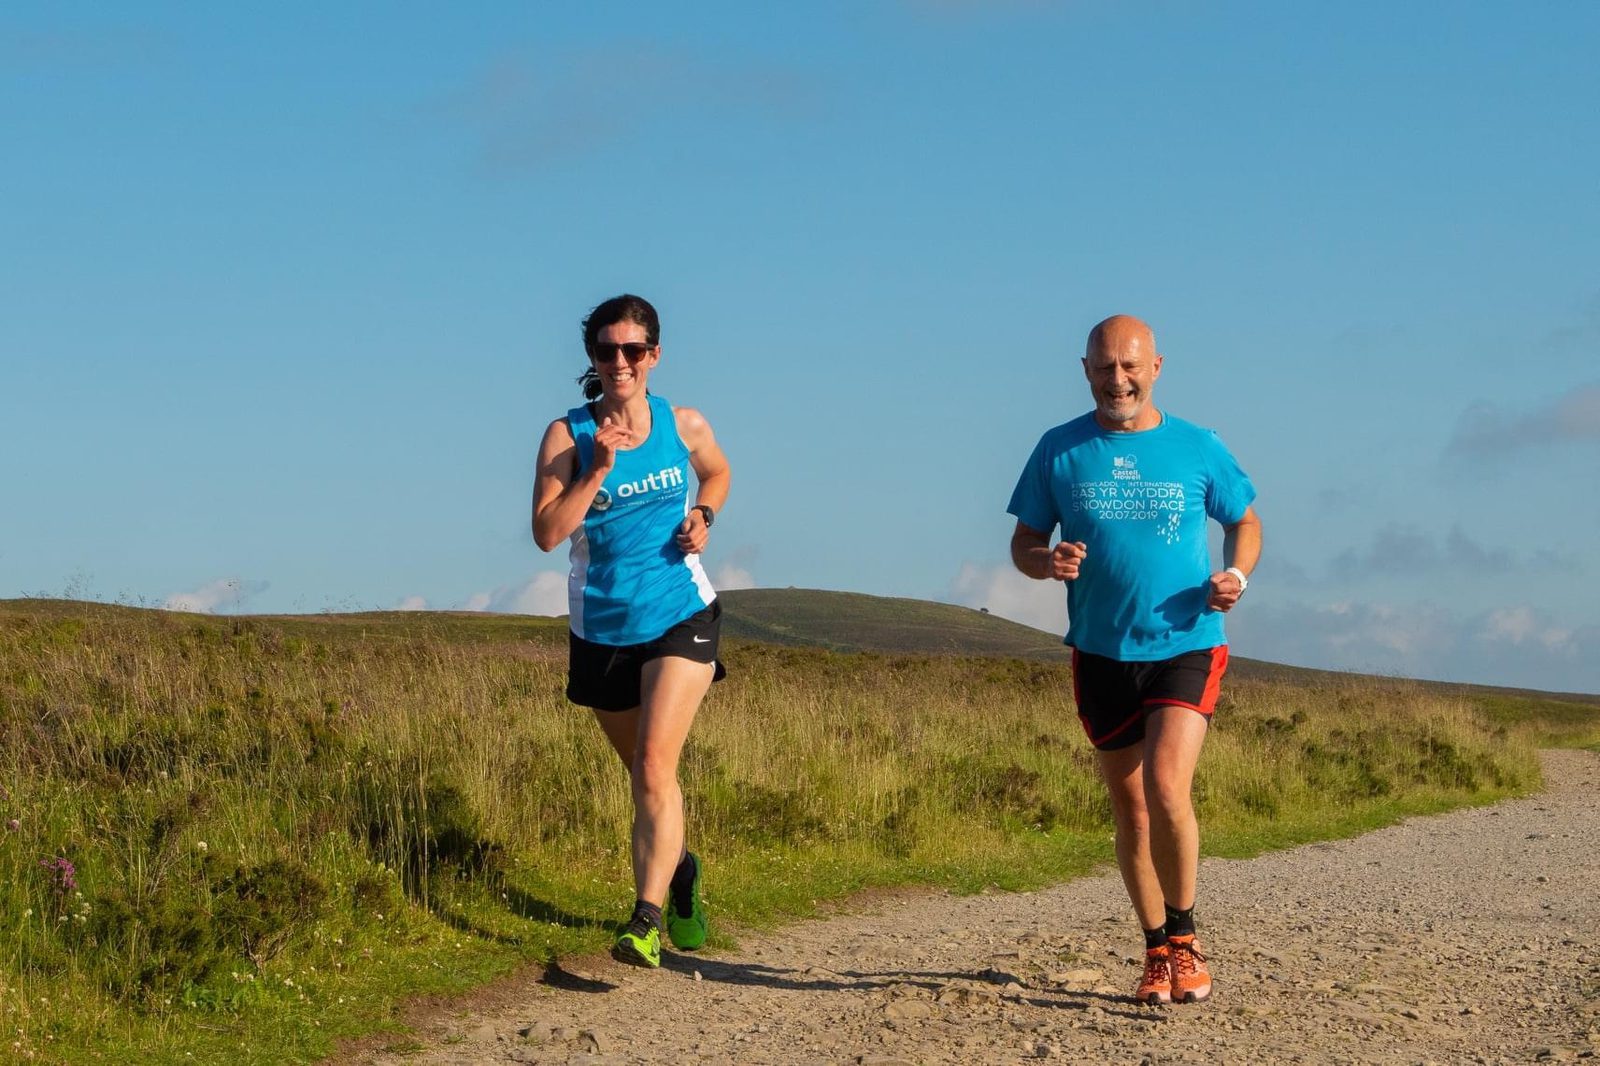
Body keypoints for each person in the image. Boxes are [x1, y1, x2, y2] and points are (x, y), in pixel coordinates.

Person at [1007, 314, 1261, 1005]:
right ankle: (1155, 951)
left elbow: (1244, 519)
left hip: (1186, 641)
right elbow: (1024, 543)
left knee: (1167, 788)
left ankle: (1186, 937)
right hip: (1099, 650)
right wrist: (1045, 561)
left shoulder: (1197, 447)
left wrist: (1235, 575)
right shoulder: (1059, 450)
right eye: (1103, 367)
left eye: (1130, 366)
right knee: (1131, 806)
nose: (1116, 379)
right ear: (1085, 369)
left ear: (1155, 368)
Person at [532, 293, 731, 969]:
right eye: (606, 350)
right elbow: (547, 533)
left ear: (654, 355)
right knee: (648, 780)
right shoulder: (567, 436)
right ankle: (681, 874)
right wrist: (595, 472)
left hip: (680, 608)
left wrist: (705, 513)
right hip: (602, 627)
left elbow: (719, 471)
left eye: (633, 350)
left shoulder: (684, 422)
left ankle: (644, 921)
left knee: (653, 767)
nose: (620, 362)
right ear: (592, 357)